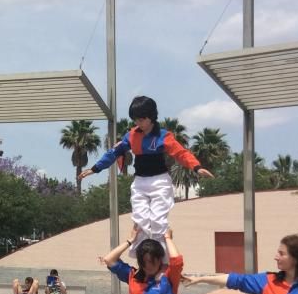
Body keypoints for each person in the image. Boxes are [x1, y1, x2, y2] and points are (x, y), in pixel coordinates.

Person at [78, 96, 212, 253]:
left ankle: (163, 259)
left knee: (157, 221)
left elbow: (180, 153)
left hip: (160, 182)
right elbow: (113, 153)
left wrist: (196, 167)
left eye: (141, 119)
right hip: (140, 182)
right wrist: (95, 168)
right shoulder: (131, 135)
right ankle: (143, 259)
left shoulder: (164, 136)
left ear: (151, 116)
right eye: (135, 119)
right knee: (140, 221)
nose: (138, 123)